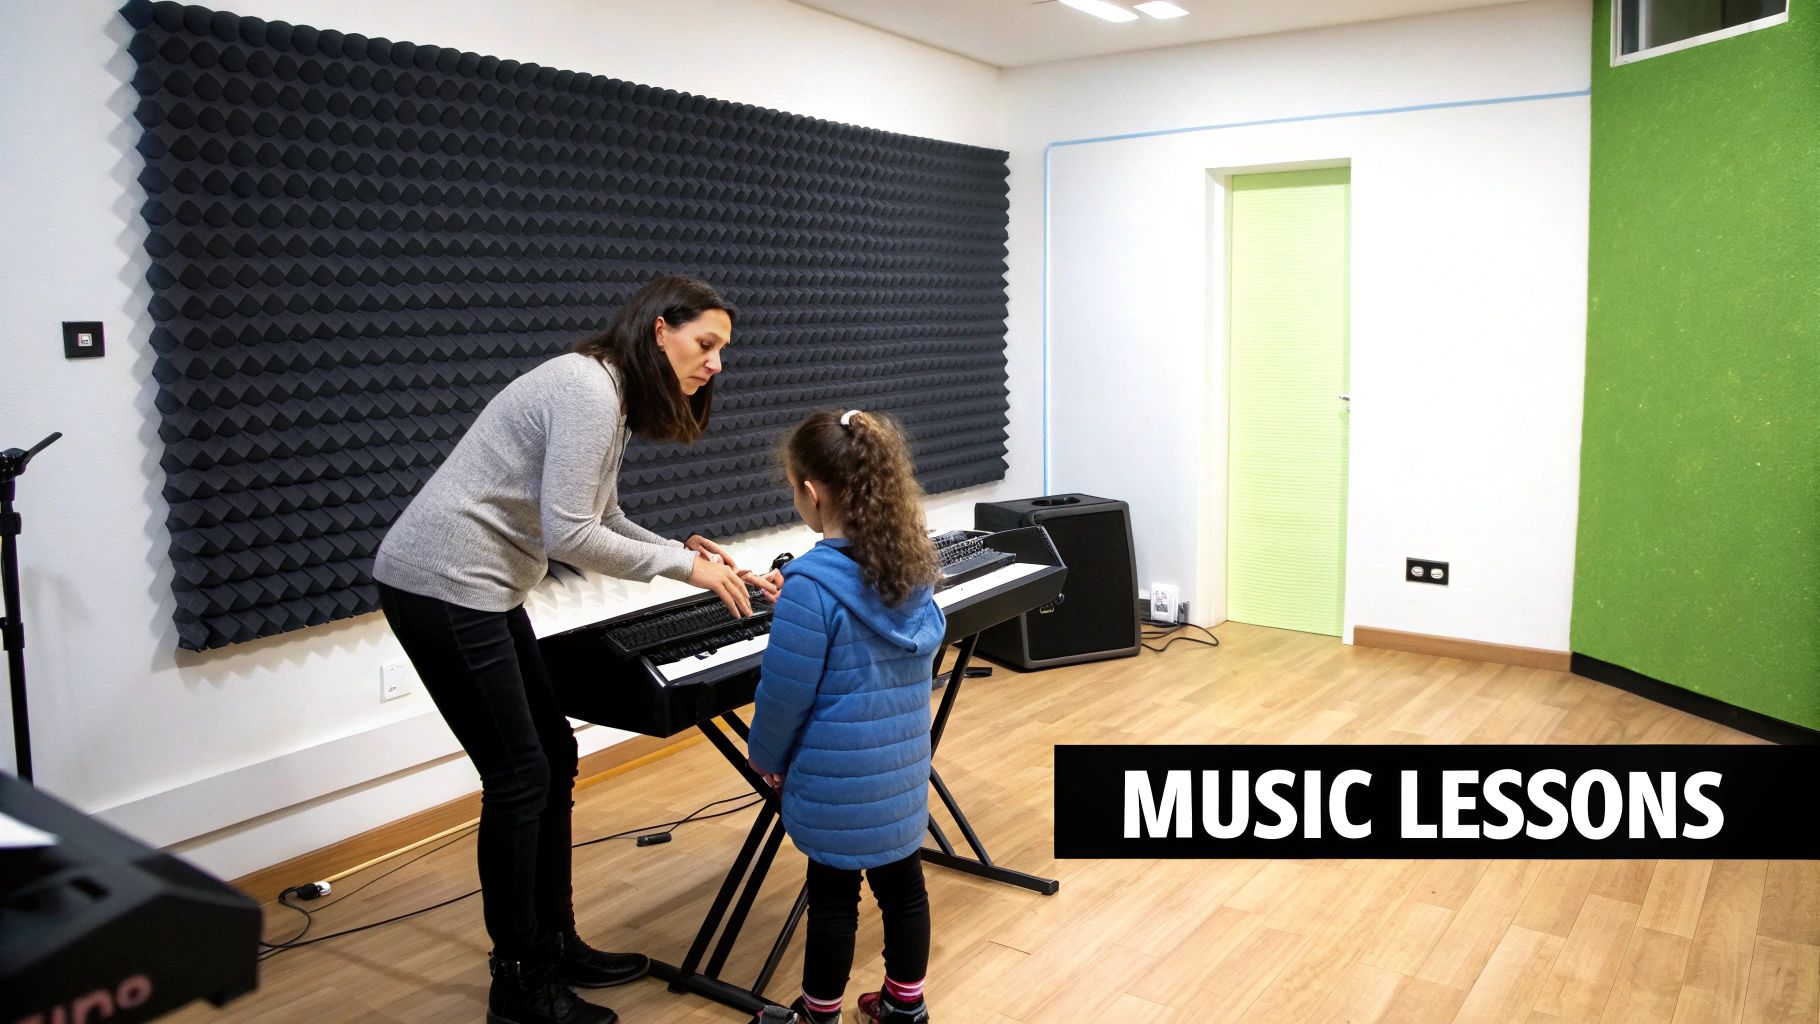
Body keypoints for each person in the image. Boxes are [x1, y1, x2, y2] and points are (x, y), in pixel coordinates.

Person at [373, 274, 779, 1024]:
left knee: (552, 753)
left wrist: (685, 554)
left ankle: (555, 943)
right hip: (439, 583)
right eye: (706, 344)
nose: (716, 363)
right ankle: (519, 982)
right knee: (520, 773)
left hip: (483, 587)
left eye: (723, 350)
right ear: (661, 330)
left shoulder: (611, 392)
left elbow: (604, 514)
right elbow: (569, 536)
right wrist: (681, 567)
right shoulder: (587, 389)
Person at [746, 409, 946, 1024]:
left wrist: (766, 758)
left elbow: (784, 695)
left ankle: (818, 1014)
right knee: (904, 890)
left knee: (833, 900)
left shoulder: (810, 588)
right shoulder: (909, 570)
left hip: (836, 785)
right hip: (901, 776)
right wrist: (802, 590)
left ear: (810, 492)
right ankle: (902, 1007)